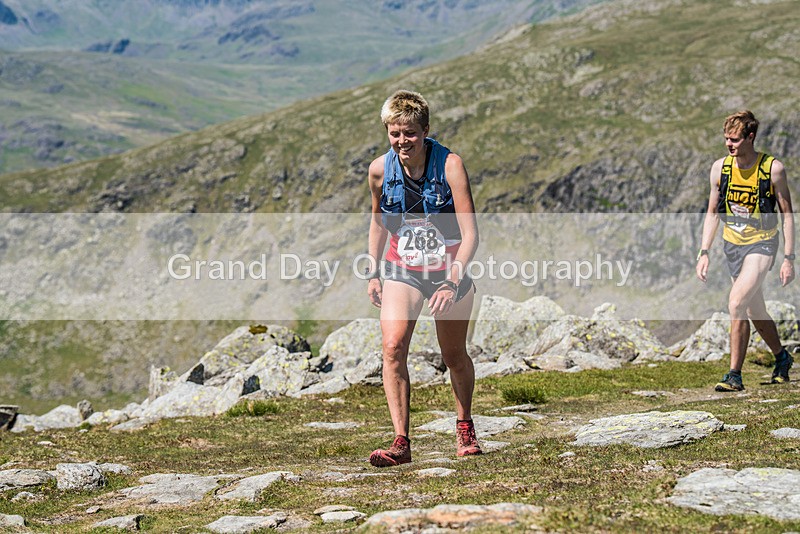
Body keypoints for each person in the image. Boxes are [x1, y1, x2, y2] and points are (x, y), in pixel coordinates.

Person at [365, 89, 482, 466]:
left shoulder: (450, 166)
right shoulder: (379, 171)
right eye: (395, 133)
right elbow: (378, 222)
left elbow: (471, 235)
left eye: (410, 133)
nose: (402, 141)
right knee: (393, 347)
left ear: (425, 130)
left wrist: (452, 281)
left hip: (449, 271)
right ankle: (401, 442)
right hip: (403, 269)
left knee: (453, 355)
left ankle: (465, 427)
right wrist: (373, 270)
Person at [696, 110, 795, 391]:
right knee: (754, 310)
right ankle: (782, 357)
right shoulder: (720, 168)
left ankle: (734, 375)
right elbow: (712, 212)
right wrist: (704, 252)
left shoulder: (772, 169)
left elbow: (787, 214)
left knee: (736, 303)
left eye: (735, 140)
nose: (729, 145)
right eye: (726, 139)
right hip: (732, 245)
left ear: (750, 137)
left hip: (762, 243)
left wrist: (789, 258)